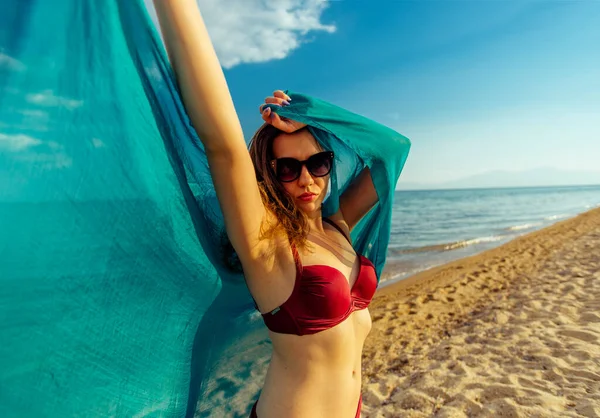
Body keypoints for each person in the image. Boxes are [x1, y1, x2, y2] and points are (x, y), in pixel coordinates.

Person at [154, 2, 384, 417]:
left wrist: (310, 112)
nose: (307, 180)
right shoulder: (266, 242)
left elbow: (392, 150)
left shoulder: (339, 226)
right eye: (288, 169)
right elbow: (222, 144)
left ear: (329, 164)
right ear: (270, 176)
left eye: (317, 163)